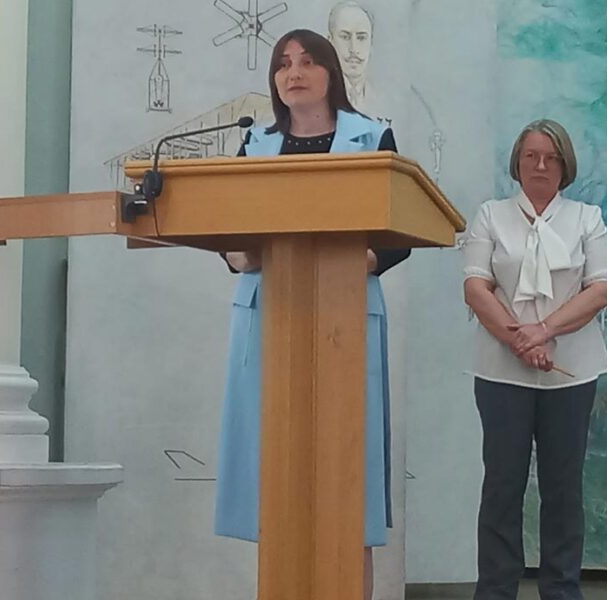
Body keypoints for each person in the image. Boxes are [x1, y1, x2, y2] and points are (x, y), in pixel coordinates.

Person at [214, 28, 410, 600]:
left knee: (347, 482)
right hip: (269, 315)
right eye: (283, 64)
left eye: (306, 61)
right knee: (275, 474)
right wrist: (238, 254)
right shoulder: (254, 146)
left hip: (344, 315)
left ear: (330, 72)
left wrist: (356, 261)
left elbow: (400, 231)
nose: (293, 72)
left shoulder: (372, 137)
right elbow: (228, 234)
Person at [462, 119, 607, 600]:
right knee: (502, 486)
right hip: (501, 372)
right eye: (531, 156)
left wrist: (545, 331)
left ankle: (562, 589)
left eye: (550, 157)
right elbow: (475, 286)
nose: (540, 166)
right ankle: (495, 590)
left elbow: (600, 289)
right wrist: (520, 341)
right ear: (518, 162)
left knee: (563, 489)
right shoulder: (491, 215)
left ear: (565, 165)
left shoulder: (587, 218)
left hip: (572, 373)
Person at [327, 1, 380, 116]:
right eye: (345, 37)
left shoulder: (385, 100)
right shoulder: (317, 98)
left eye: (361, 38)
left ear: (371, 43)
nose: (353, 49)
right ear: (330, 42)